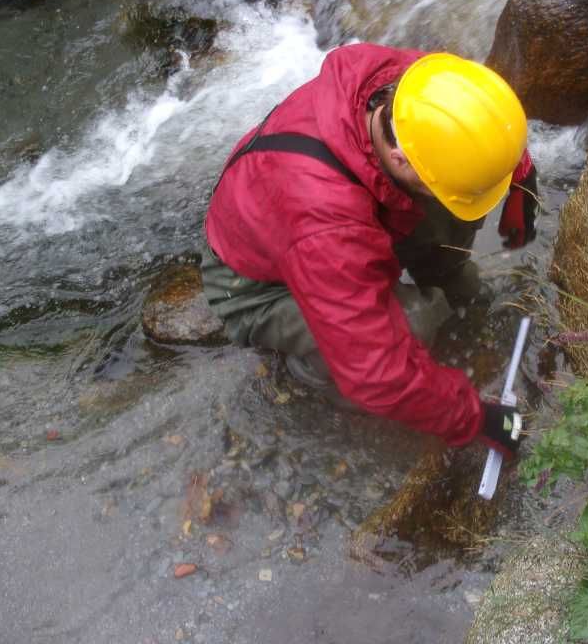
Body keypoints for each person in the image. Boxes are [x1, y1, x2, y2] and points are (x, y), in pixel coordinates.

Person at [202, 43, 538, 459]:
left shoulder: (411, 89)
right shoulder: (327, 226)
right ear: (399, 159)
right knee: (412, 323)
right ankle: (311, 368)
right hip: (255, 282)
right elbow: (378, 371)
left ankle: (443, 273)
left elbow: (484, 119)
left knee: (454, 208)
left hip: (338, 208)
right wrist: (475, 418)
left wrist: (521, 179)